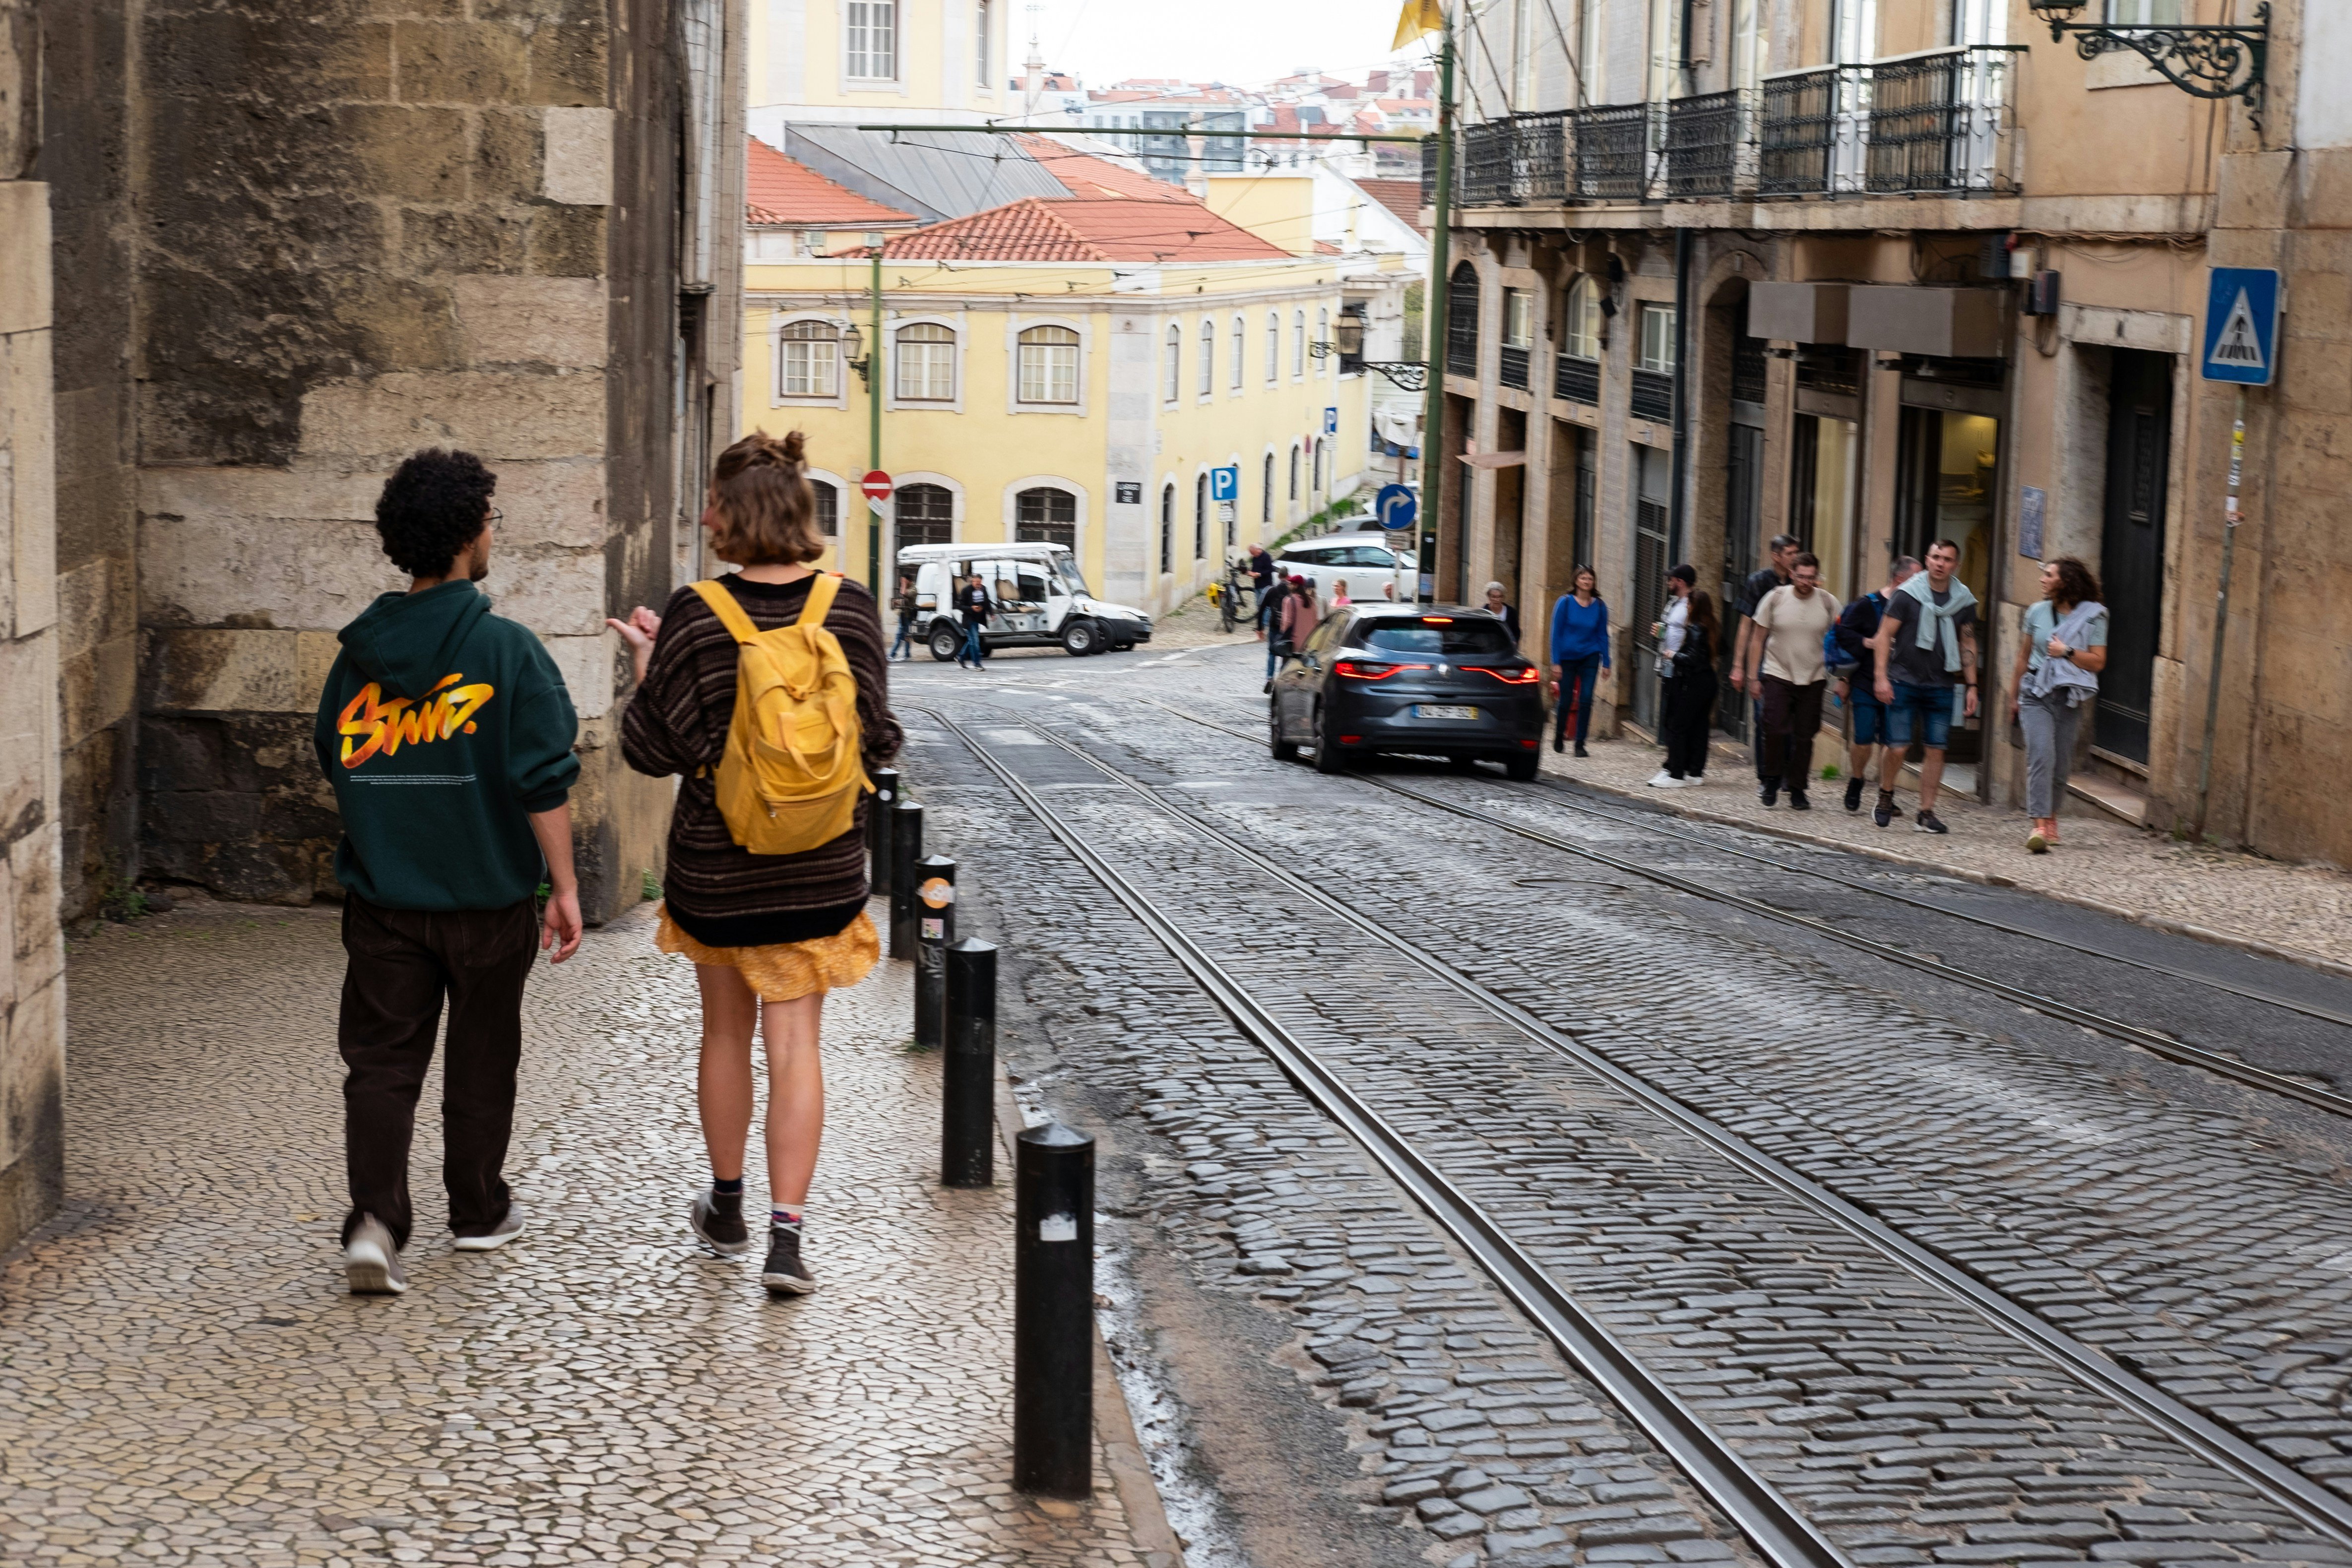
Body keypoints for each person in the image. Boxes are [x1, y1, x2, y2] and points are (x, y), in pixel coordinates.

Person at [609, 431, 902, 1296]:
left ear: (733, 514)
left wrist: (646, 667)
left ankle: (728, 1205)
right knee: (798, 1042)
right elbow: (881, 742)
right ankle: (788, 1239)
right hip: (818, 868)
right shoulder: (849, 608)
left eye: (711, 502)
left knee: (725, 1034)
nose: (703, 514)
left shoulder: (696, 612)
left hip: (717, 869)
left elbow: (647, 751)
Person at [314, 447, 584, 1297]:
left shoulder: (357, 658)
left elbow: (335, 753)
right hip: (488, 898)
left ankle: (374, 1222)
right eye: (490, 520)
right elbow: (542, 778)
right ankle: (477, 1211)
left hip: (386, 896)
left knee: (383, 1063)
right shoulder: (509, 652)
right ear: (471, 536)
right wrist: (565, 887)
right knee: (481, 1055)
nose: (493, 533)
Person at [1867, 537, 1979, 834]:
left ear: (1956, 565)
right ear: (1927, 560)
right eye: (1936, 557)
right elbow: (1883, 637)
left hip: (1942, 683)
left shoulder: (1963, 600)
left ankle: (1926, 812)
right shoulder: (1907, 595)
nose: (1940, 563)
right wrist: (1880, 678)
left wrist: (1972, 685)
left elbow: (1967, 642)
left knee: (1936, 749)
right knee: (1898, 746)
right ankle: (1886, 794)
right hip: (1904, 680)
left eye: (1947, 559)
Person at [2010, 556, 2107, 854]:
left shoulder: (2094, 616)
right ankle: (2038, 826)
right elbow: (2024, 658)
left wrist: (2065, 652)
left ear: (2065, 582)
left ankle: (2051, 817)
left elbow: (2098, 661)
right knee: (2041, 756)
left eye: (2049, 575)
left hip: (2068, 696)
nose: (2042, 578)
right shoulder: (2037, 612)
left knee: (2061, 764)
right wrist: (2012, 696)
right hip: (2035, 692)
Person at [1741, 552, 1840, 810]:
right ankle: (1772, 779)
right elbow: (1757, 639)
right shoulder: (1775, 598)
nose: (1806, 582)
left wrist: (1842, 676)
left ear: (1817, 577)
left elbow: (1841, 639)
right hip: (1778, 673)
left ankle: (1797, 787)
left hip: (1814, 677)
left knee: (1805, 736)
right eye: (1801, 576)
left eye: (1811, 577)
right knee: (1773, 728)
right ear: (1792, 574)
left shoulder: (1829, 603)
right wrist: (1753, 677)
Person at [1832, 556, 1920, 812]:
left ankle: (1886, 794)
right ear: (1901, 579)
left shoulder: (1918, 607)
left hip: (1900, 684)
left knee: (1892, 743)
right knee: (1863, 738)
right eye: (1918, 578)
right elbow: (1843, 633)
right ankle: (1857, 779)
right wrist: (1867, 643)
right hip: (1866, 683)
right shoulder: (1868, 604)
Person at [1732, 534, 1801, 791]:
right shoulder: (1758, 582)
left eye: (1797, 552)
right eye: (1790, 553)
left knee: (1792, 722)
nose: (1795, 557)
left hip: (1794, 661)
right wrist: (1739, 666)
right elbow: (1745, 626)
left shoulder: (1802, 582)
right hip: (1764, 662)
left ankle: (1787, 773)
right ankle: (1767, 776)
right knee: (1766, 719)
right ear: (1776, 556)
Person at [1653, 567, 1719, 787]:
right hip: (1701, 678)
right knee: (1698, 726)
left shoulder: (1695, 626)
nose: (1668, 582)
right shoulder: (1708, 624)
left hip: (1688, 677)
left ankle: (1676, 771)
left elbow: (1694, 657)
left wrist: (1675, 655)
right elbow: (1719, 649)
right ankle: (1694, 771)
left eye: (1671, 579)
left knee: (1677, 723)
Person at [1548, 565, 1610, 757]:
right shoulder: (1565, 603)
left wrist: (1607, 662)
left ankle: (1580, 743)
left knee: (1586, 699)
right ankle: (1559, 735)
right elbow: (1556, 634)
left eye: (1590, 578)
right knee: (1565, 700)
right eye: (1583, 578)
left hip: (1590, 656)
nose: (1586, 581)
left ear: (1594, 582)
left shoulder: (1599, 606)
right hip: (1567, 658)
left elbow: (1603, 635)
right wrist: (1555, 662)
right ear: (1576, 581)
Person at [1261, 571, 1294, 688]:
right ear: (1287, 576)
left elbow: (1262, 608)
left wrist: (1260, 628)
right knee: (1286, 653)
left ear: (1279, 577)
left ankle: (1270, 678)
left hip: (1274, 625)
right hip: (1286, 628)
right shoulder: (1291, 592)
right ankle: (1282, 677)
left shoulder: (1272, 591)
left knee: (1272, 652)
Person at [955, 572, 993, 669]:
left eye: (980, 583)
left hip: (978, 618)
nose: (978, 585)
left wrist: (991, 613)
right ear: (972, 581)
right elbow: (960, 606)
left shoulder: (983, 589)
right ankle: (977, 664)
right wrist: (971, 608)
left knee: (972, 640)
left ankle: (961, 656)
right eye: (976, 583)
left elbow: (987, 602)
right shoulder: (966, 591)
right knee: (975, 641)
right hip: (969, 619)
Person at [1278, 573, 1320, 659]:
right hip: (1310, 642)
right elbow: (1316, 621)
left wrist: (1283, 633)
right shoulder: (1311, 601)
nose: (1289, 586)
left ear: (1296, 586)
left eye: (1291, 584)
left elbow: (1287, 622)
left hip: (1294, 643)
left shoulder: (1289, 601)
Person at [1248, 543, 1276, 639]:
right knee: (1259, 605)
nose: (1254, 556)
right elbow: (1254, 569)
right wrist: (1251, 573)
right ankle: (1262, 625)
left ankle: (1264, 625)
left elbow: (1270, 570)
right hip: (1257, 585)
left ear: (1258, 550)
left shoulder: (1266, 556)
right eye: (1252, 554)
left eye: (1254, 554)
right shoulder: (1255, 558)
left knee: (1267, 607)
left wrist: (1259, 574)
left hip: (1266, 585)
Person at [888, 572, 917, 661]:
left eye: (905, 580)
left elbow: (903, 593)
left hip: (908, 616)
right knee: (906, 636)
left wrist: (903, 584)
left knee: (901, 636)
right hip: (903, 615)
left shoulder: (914, 589)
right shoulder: (908, 587)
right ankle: (907, 655)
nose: (903, 582)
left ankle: (893, 654)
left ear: (909, 581)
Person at [1483, 581, 1521, 645]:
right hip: (1488, 649)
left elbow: (1516, 631)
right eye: (1494, 597)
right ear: (1489, 597)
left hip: (1507, 648)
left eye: (1500, 597)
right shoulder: (1483, 613)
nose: (1497, 600)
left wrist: (1514, 642)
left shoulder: (1511, 612)